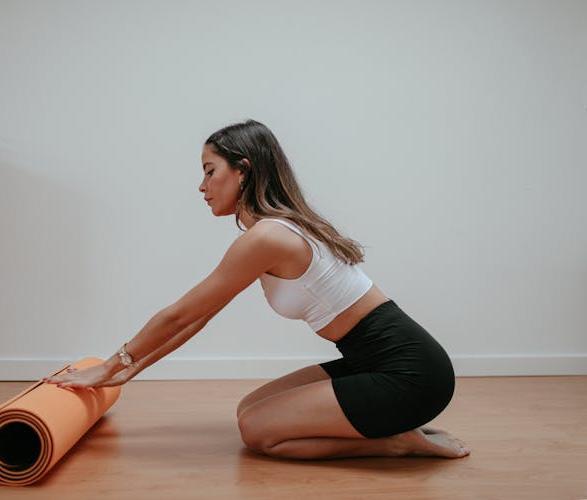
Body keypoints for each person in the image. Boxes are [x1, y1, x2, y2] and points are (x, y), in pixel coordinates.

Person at [44, 119, 470, 460]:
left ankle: (397, 442)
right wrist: (131, 370)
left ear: (243, 169)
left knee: (258, 433)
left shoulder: (269, 237)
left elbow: (179, 313)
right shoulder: (271, 233)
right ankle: (393, 429)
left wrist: (107, 367)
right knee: (250, 409)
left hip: (412, 376)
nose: (202, 186)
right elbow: (199, 317)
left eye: (210, 171)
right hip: (372, 364)